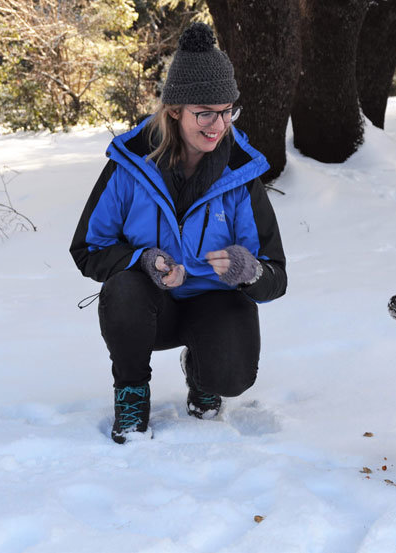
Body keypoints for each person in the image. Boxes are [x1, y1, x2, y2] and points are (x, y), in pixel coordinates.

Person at [70, 22, 287, 444]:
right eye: (204, 113)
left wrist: (249, 270)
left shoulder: (240, 174)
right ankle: (132, 393)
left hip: (214, 303)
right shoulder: (129, 166)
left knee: (234, 377)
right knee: (124, 290)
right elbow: (87, 249)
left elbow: (275, 275)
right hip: (152, 310)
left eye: (227, 111)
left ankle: (204, 373)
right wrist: (142, 260)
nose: (218, 125)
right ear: (174, 110)